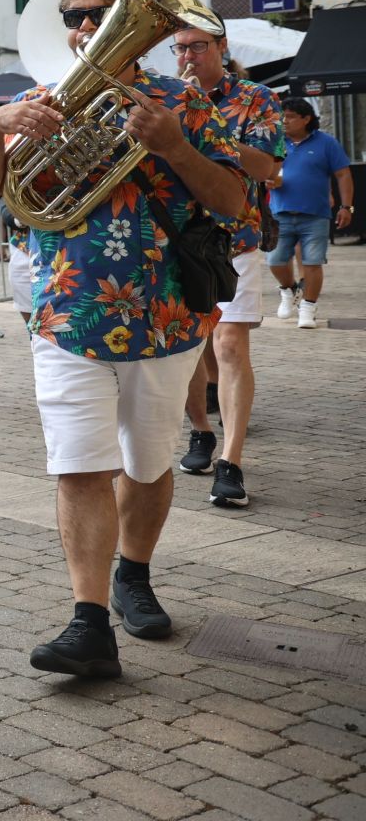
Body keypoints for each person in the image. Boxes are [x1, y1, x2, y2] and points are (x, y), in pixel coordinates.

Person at [0, 0, 244, 680]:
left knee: (148, 465)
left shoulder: (184, 103)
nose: (83, 26)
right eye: (73, 14)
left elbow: (235, 203)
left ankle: (134, 573)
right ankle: (88, 621)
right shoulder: (38, 101)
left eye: (98, 12)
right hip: (67, 314)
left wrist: (175, 146)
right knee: (78, 464)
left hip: (164, 314)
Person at [171, 31, 284, 509]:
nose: (187, 56)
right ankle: (200, 429)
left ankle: (232, 461)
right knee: (191, 346)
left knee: (231, 345)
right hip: (179, 237)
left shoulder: (255, 97)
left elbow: (265, 166)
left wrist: (209, 134)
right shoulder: (168, 94)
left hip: (236, 236)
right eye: (179, 47)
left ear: (221, 47)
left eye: (197, 46)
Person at [268, 97, 354, 329]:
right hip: (280, 214)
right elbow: (261, 170)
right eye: (282, 116)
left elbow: (343, 175)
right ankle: (289, 290)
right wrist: (266, 180)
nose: (284, 121)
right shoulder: (276, 142)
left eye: (290, 116)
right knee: (275, 260)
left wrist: (347, 207)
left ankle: (308, 307)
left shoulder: (326, 143)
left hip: (315, 215)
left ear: (306, 118)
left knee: (313, 263)